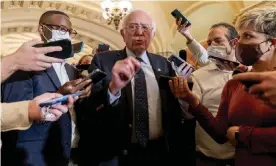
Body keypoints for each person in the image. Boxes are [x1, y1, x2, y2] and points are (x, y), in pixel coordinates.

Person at [76, 9, 196, 166]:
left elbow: (175, 109)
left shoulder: (164, 64)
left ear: (152, 34)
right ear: (122, 33)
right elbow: (88, 106)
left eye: (145, 27)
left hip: (159, 153)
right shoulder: (103, 61)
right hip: (117, 155)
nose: (139, 32)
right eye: (133, 27)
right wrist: (113, 89)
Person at [169, 7, 276, 166]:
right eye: (239, 37)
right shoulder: (234, 83)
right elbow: (220, 133)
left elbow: (238, 135)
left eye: (248, 36)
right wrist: (191, 101)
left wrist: (244, 135)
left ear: (271, 43)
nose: (239, 43)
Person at [1, 10, 91, 166]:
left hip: (67, 154)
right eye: (59, 28)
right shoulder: (23, 64)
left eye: (69, 31)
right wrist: (58, 94)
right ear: (42, 29)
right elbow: (13, 116)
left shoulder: (71, 70)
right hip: (31, 158)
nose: (65, 34)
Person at [178, 22, 239, 166]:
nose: (212, 46)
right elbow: (188, 115)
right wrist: (183, 97)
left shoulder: (250, 71)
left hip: (245, 156)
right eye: (210, 43)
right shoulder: (199, 76)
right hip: (209, 158)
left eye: (218, 41)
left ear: (234, 42)